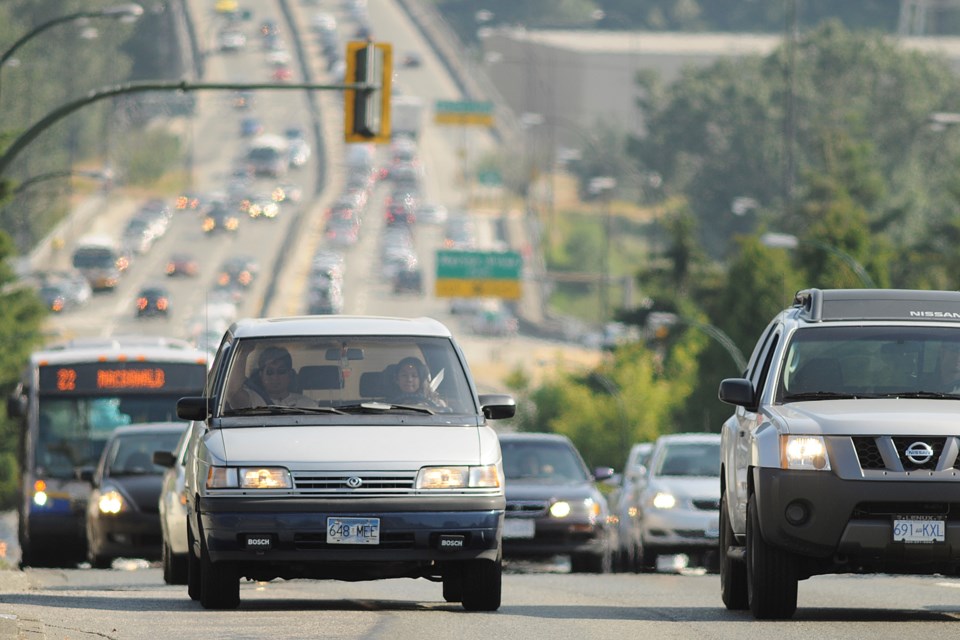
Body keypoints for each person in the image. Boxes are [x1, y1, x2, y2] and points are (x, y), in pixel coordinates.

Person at [231, 346, 315, 408]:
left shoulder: (307, 405)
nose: (275, 377)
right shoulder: (251, 400)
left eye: (281, 371)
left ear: (290, 374)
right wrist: (243, 353)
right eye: (269, 372)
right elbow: (232, 392)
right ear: (261, 375)